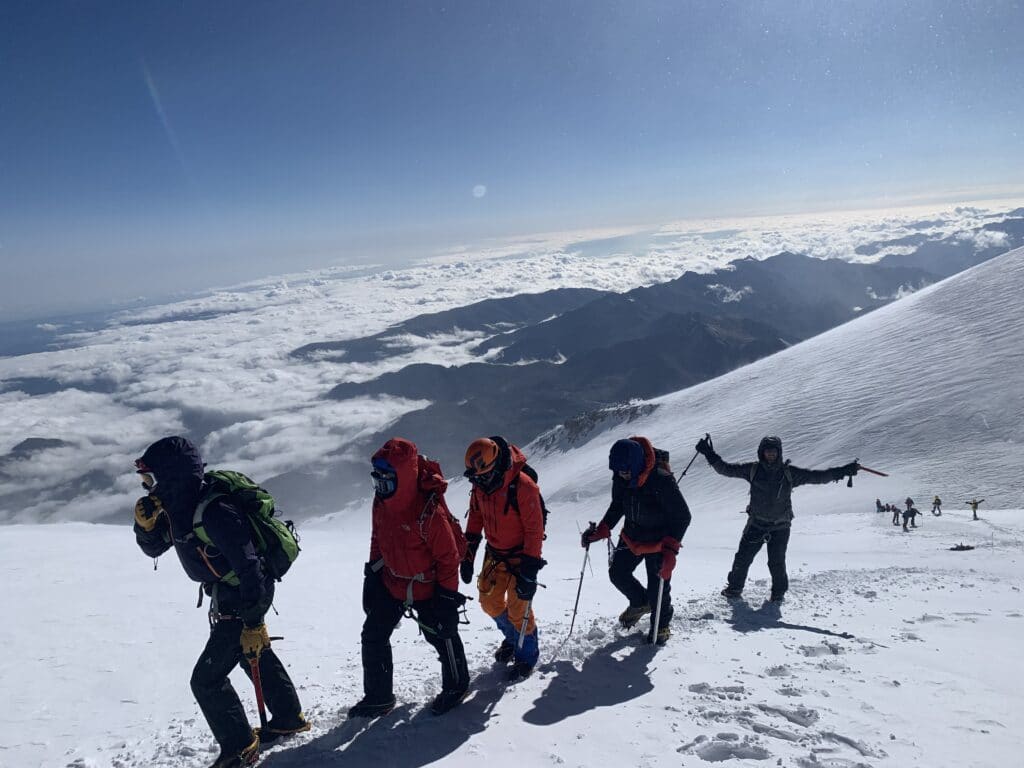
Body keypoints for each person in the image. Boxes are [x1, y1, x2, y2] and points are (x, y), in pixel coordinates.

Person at [132, 436, 307, 768]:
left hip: (245, 591)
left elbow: (250, 566)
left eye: (150, 479)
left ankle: (241, 748)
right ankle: (288, 716)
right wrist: (145, 528)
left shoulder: (214, 511)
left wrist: (254, 622)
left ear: (171, 476)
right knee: (250, 652)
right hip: (229, 590)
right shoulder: (177, 506)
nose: (146, 487)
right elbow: (155, 548)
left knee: (206, 680)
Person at [351, 437, 470, 718]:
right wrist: (372, 573)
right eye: (376, 480)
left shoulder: (429, 512)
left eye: (386, 480)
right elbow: (377, 538)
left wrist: (447, 597)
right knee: (373, 635)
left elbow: (448, 558)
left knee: (442, 634)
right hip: (393, 581)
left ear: (403, 478)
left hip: (429, 587)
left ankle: (457, 685)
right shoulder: (381, 502)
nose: (380, 487)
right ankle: (379, 697)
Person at [695, 434, 858, 602]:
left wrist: (843, 471)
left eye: (774, 451)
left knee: (776, 563)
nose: (770, 454)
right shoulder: (752, 469)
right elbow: (725, 469)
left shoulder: (789, 473)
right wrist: (708, 453)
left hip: (780, 527)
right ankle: (734, 589)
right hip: (757, 524)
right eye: (767, 451)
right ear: (761, 452)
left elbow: (817, 477)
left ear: (779, 452)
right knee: (742, 559)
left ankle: (778, 594)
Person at [581, 436, 690, 644]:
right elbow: (618, 505)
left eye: (626, 470)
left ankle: (661, 624)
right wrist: (603, 528)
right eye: (618, 471)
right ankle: (640, 602)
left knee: (658, 585)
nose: (622, 475)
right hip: (632, 535)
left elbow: (683, 516)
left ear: (637, 463)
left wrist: (671, 549)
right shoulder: (621, 478)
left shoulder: (661, 479)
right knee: (618, 573)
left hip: (659, 541)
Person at [460, 436, 546, 680]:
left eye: (484, 476)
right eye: (476, 478)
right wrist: (468, 556)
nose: (480, 482)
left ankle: (527, 656)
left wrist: (529, 572)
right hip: (495, 553)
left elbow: (534, 531)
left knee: (520, 611)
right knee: (489, 602)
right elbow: (475, 520)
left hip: (521, 558)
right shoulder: (481, 486)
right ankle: (513, 638)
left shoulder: (523, 486)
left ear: (496, 464)